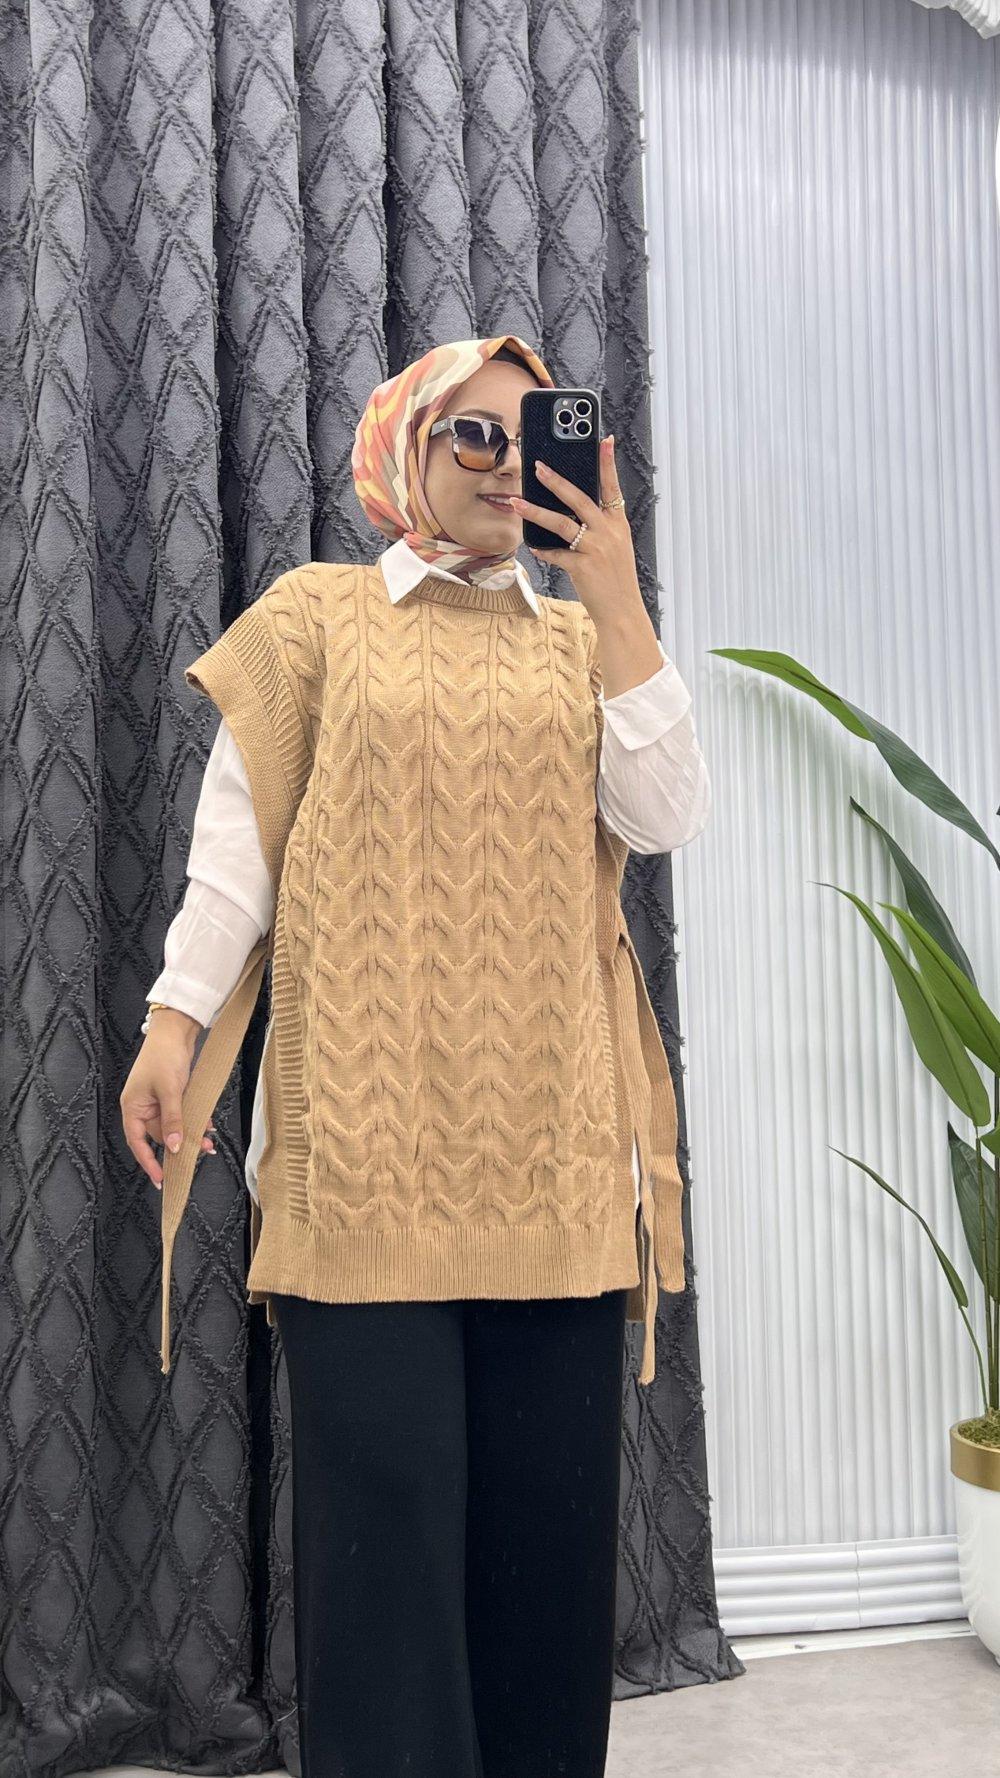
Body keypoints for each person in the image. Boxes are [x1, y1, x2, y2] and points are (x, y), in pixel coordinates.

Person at [120, 334, 710, 1778]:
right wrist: (173, 1025)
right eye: (476, 436)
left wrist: (617, 594)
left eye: (535, 436)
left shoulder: (582, 640)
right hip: (362, 1162)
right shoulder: (316, 619)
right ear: (406, 449)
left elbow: (666, 815)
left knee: (543, 1581)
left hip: (556, 1168)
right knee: (381, 1579)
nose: (508, 467)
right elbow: (236, 856)